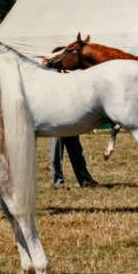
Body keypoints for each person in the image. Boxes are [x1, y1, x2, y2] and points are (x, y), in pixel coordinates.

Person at [43, 47, 99, 189]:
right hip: (55, 120)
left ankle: (85, 181)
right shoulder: (47, 75)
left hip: (69, 120)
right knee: (56, 154)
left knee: (76, 152)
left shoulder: (69, 75)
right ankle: (58, 183)